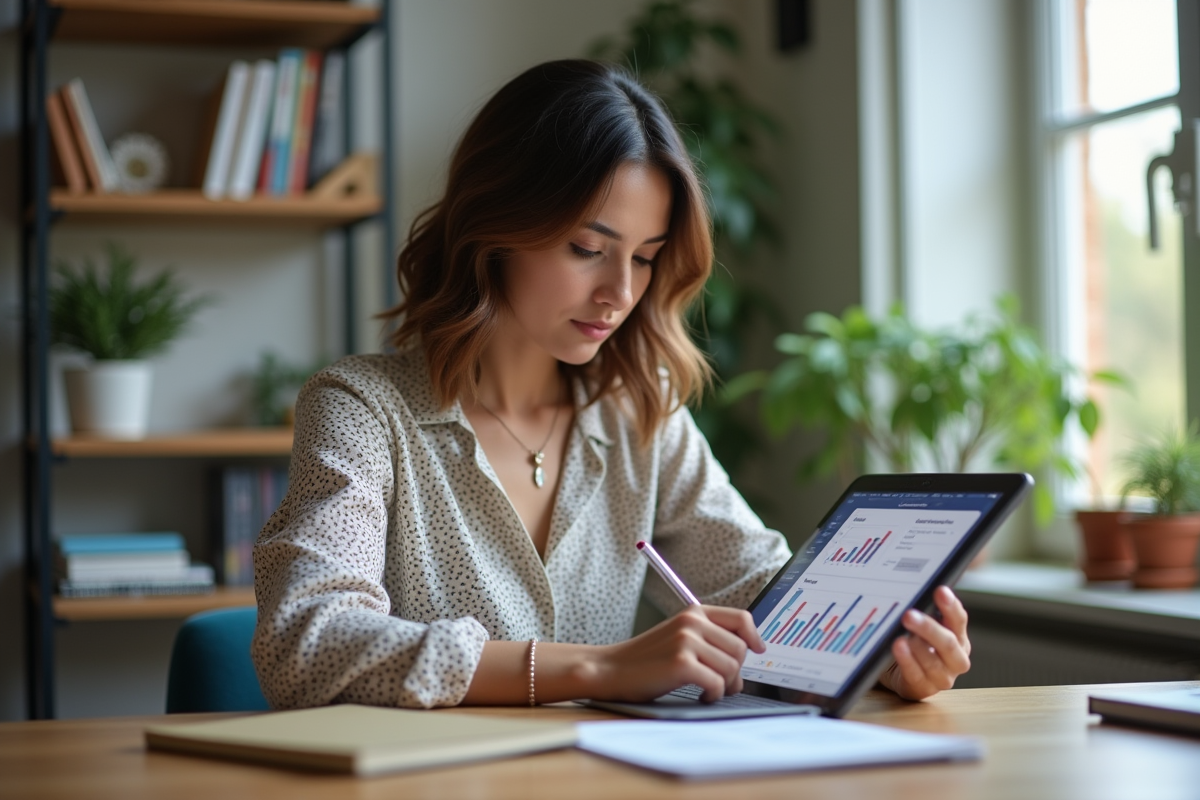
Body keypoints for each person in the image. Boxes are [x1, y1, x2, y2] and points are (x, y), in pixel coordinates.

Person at [251, 59, 972, 710]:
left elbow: (762, 594)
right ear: (494, 225)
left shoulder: (637, 409)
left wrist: (883, 654)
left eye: (646, 257)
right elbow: (307, 645)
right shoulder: (361, 411)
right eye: (587, 249)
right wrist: (595, 669)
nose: (619, 293)